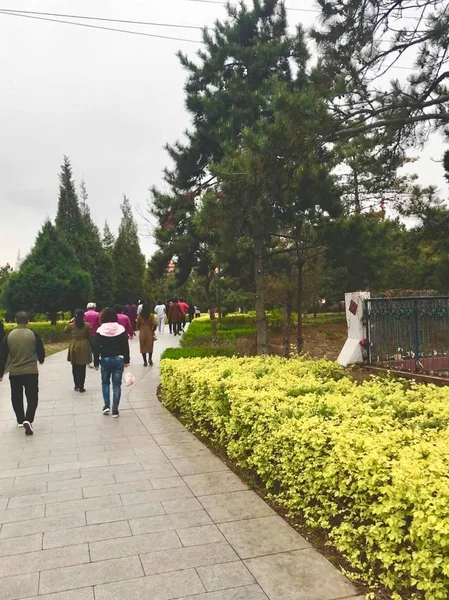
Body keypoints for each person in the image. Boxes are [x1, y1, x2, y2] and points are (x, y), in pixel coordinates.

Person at [0, 311, 45, 435]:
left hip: (14, 372)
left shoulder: (9, 336)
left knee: (16, 396)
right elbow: (40, 349)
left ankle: (20, 419)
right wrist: (41, 359)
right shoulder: (33, 334)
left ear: (15, 321)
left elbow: (3, 355)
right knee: (32, 396)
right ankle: (29, 419)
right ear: (28, 322)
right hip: (31, 371)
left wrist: (1, 372)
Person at [94, 308, 130, 418]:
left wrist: (96, 362)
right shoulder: (121, 329)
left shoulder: (100, 330)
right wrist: (127, 360)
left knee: (105, 383)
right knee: (116, 385)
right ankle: (115, 410)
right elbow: (125, 345)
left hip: (105, 359)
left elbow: (96, 348)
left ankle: (106, 406)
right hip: (118, 359)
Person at [65, 309, 92, 393]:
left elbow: (65, 330)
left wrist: (70, 321)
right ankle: (81, 386)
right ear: (83, 317)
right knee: (82, 367)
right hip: (84, 345)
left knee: (75, 367)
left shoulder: (71, 326)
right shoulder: (87, 325)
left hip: (74, 345)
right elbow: (89, 336)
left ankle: (76, 385)